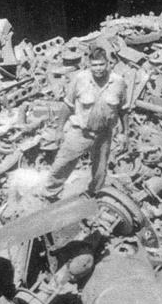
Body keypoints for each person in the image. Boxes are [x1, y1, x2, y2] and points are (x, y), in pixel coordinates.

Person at [44, 47, 127, 201]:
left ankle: (94, 195)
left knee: (100, 170)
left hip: (104, 134)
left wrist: (124, 133)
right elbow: (68, 105)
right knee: (62, 163)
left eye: (102, 64)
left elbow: (123, 110)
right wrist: (59, 130)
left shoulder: (118, 82)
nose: (98, 69)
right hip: (81, 132)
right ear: (89, 65)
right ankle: (50, 194)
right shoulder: (80, 79)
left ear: (108, 64)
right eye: (94, 65)